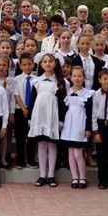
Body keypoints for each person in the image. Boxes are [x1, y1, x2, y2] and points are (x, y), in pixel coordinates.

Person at [28, 53, 67, 188]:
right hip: (39, 117)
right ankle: (42, 175)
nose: (48, 64)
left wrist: (61, 120)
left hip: (53, 117)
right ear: (41, 64)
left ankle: (51, 175)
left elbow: (63, 103)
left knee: (52, 145)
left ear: (55, 63)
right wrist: (30, 119)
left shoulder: (61, 82)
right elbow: (32, 101)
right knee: (42, 145)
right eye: (45, 61)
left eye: (50, 61)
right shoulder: (36, 81)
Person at [60, 66, 93, 189]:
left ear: (84, 78)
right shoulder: (67, 92)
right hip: (69, 126)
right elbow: (64, 110)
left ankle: (83, 177)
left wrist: (88, 128)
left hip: (80, 125)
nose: (77, 78)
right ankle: (74, 177)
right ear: (71, 77)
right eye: (74, 76)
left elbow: (89, 113)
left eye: (80, 76)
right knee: (71, 153)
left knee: (79, 153)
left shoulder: (87, 94)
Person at [13, 53, 36, 168]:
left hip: (33, 111)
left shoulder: (37, 80)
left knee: (31, 137)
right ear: (20, 66)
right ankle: (20, 159)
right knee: (20, 137)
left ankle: (31, 159)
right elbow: (16, 95)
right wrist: (23, 108)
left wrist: (30, 109)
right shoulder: (16, 79)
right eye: (24, 65)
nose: (27, 67)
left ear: (33, 65)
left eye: (29, 64)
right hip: (20, 111)